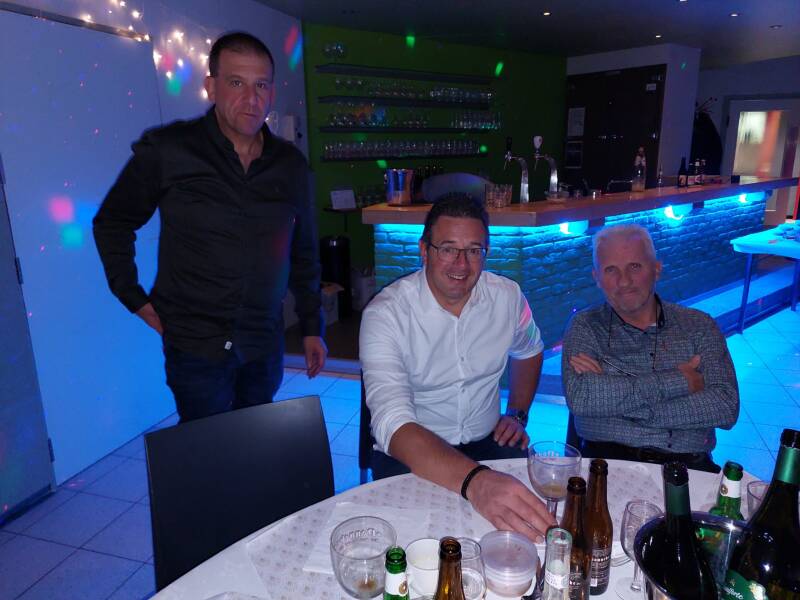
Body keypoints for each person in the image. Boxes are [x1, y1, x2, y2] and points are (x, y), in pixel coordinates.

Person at [93, 32, 326, 423]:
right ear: (211, 87)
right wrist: (132, 296)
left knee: (257, 440)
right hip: (195, 347)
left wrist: (311, 326)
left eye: (261, 85)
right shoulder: (169, 150)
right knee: (206, 449)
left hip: (262, 342)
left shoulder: (290, 165)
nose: (251, 99)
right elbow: (113, 222)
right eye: (236, 82)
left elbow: (303, 251)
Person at [360, 195, 554, 542]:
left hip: (491, 442)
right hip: (412, 454)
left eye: (474, 250)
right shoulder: (385, 314)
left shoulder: (508, 297)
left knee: (525, 539)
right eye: (448, 249)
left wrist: (518, 413)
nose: (461, 264)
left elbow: (530, 350)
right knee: (418, 549)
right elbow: (393, 423)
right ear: (424, 251)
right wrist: (476, 482)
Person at [562, 224, 739, 473]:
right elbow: (583, 398)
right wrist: (680, 381)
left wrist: (620, 405)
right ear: (597, 278)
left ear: (657, 269)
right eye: (611, 270)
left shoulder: (699, 326)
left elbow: (725, 406)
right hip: (606, 466)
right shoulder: (585, 327)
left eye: (635, 266)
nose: (624, 281)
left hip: (688, 468)